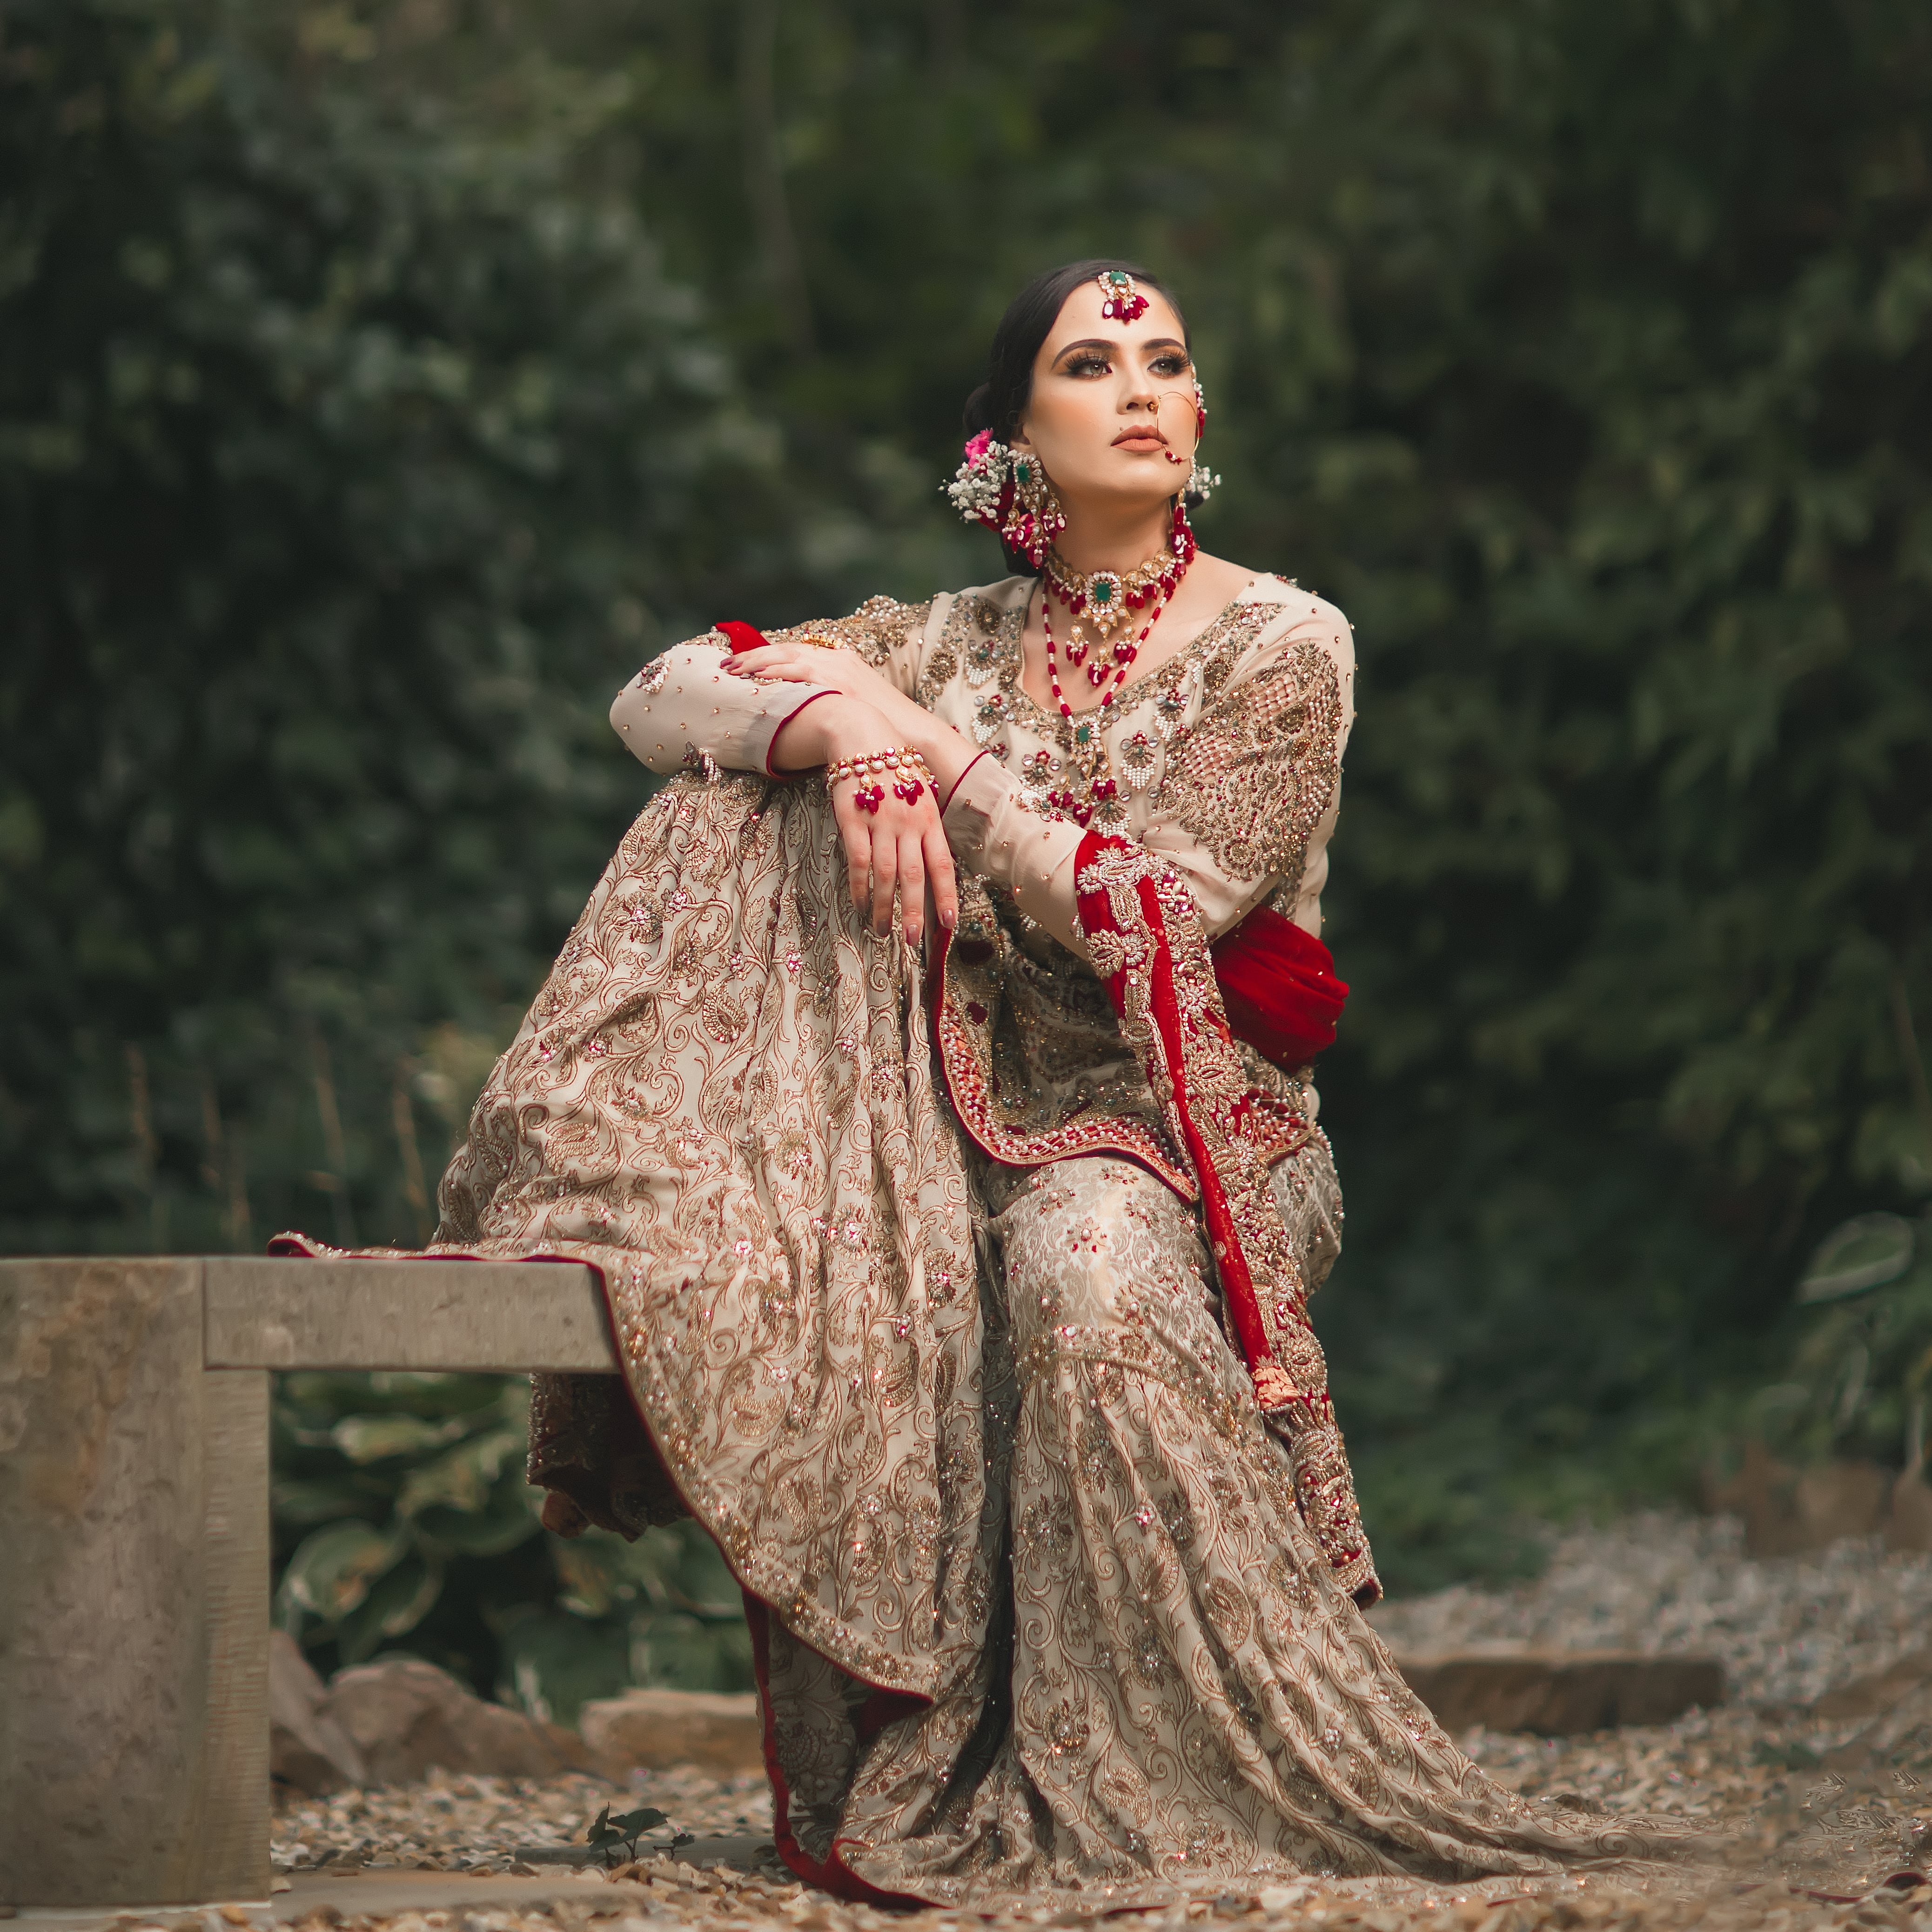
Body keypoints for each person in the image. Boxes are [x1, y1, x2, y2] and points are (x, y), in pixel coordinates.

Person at [280, 261, 1693, 1905]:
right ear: (1012, 437)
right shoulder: (931, 642)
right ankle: (902, 1706)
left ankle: (1190, 1775)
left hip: (1186, 1142)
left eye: (1169, 361)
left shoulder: (1285, 644)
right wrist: (838, 724)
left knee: (1079, 1264)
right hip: (925, 1121)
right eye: (1094, 365)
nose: (1147, 388)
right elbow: (656, 693)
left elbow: (1145, 909)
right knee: (744, 811)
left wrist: (925, 754)